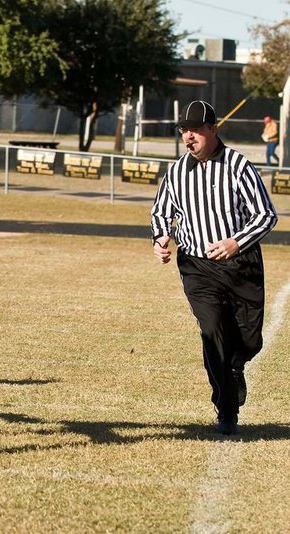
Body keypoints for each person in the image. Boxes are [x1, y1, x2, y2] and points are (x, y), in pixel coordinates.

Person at [151, 100, 277, 435]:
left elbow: (266, 215)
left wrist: (235, 242)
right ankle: (226, 409)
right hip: (197, 267)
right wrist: (160, 238)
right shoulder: (177, 172)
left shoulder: (238, 166)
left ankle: (236, 370)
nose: (188, 136)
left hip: (240, 264)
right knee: (213, 334)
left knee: (249, 340)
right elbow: (161, 212)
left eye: (194, 129)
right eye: (183, 130)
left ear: (213, 129)